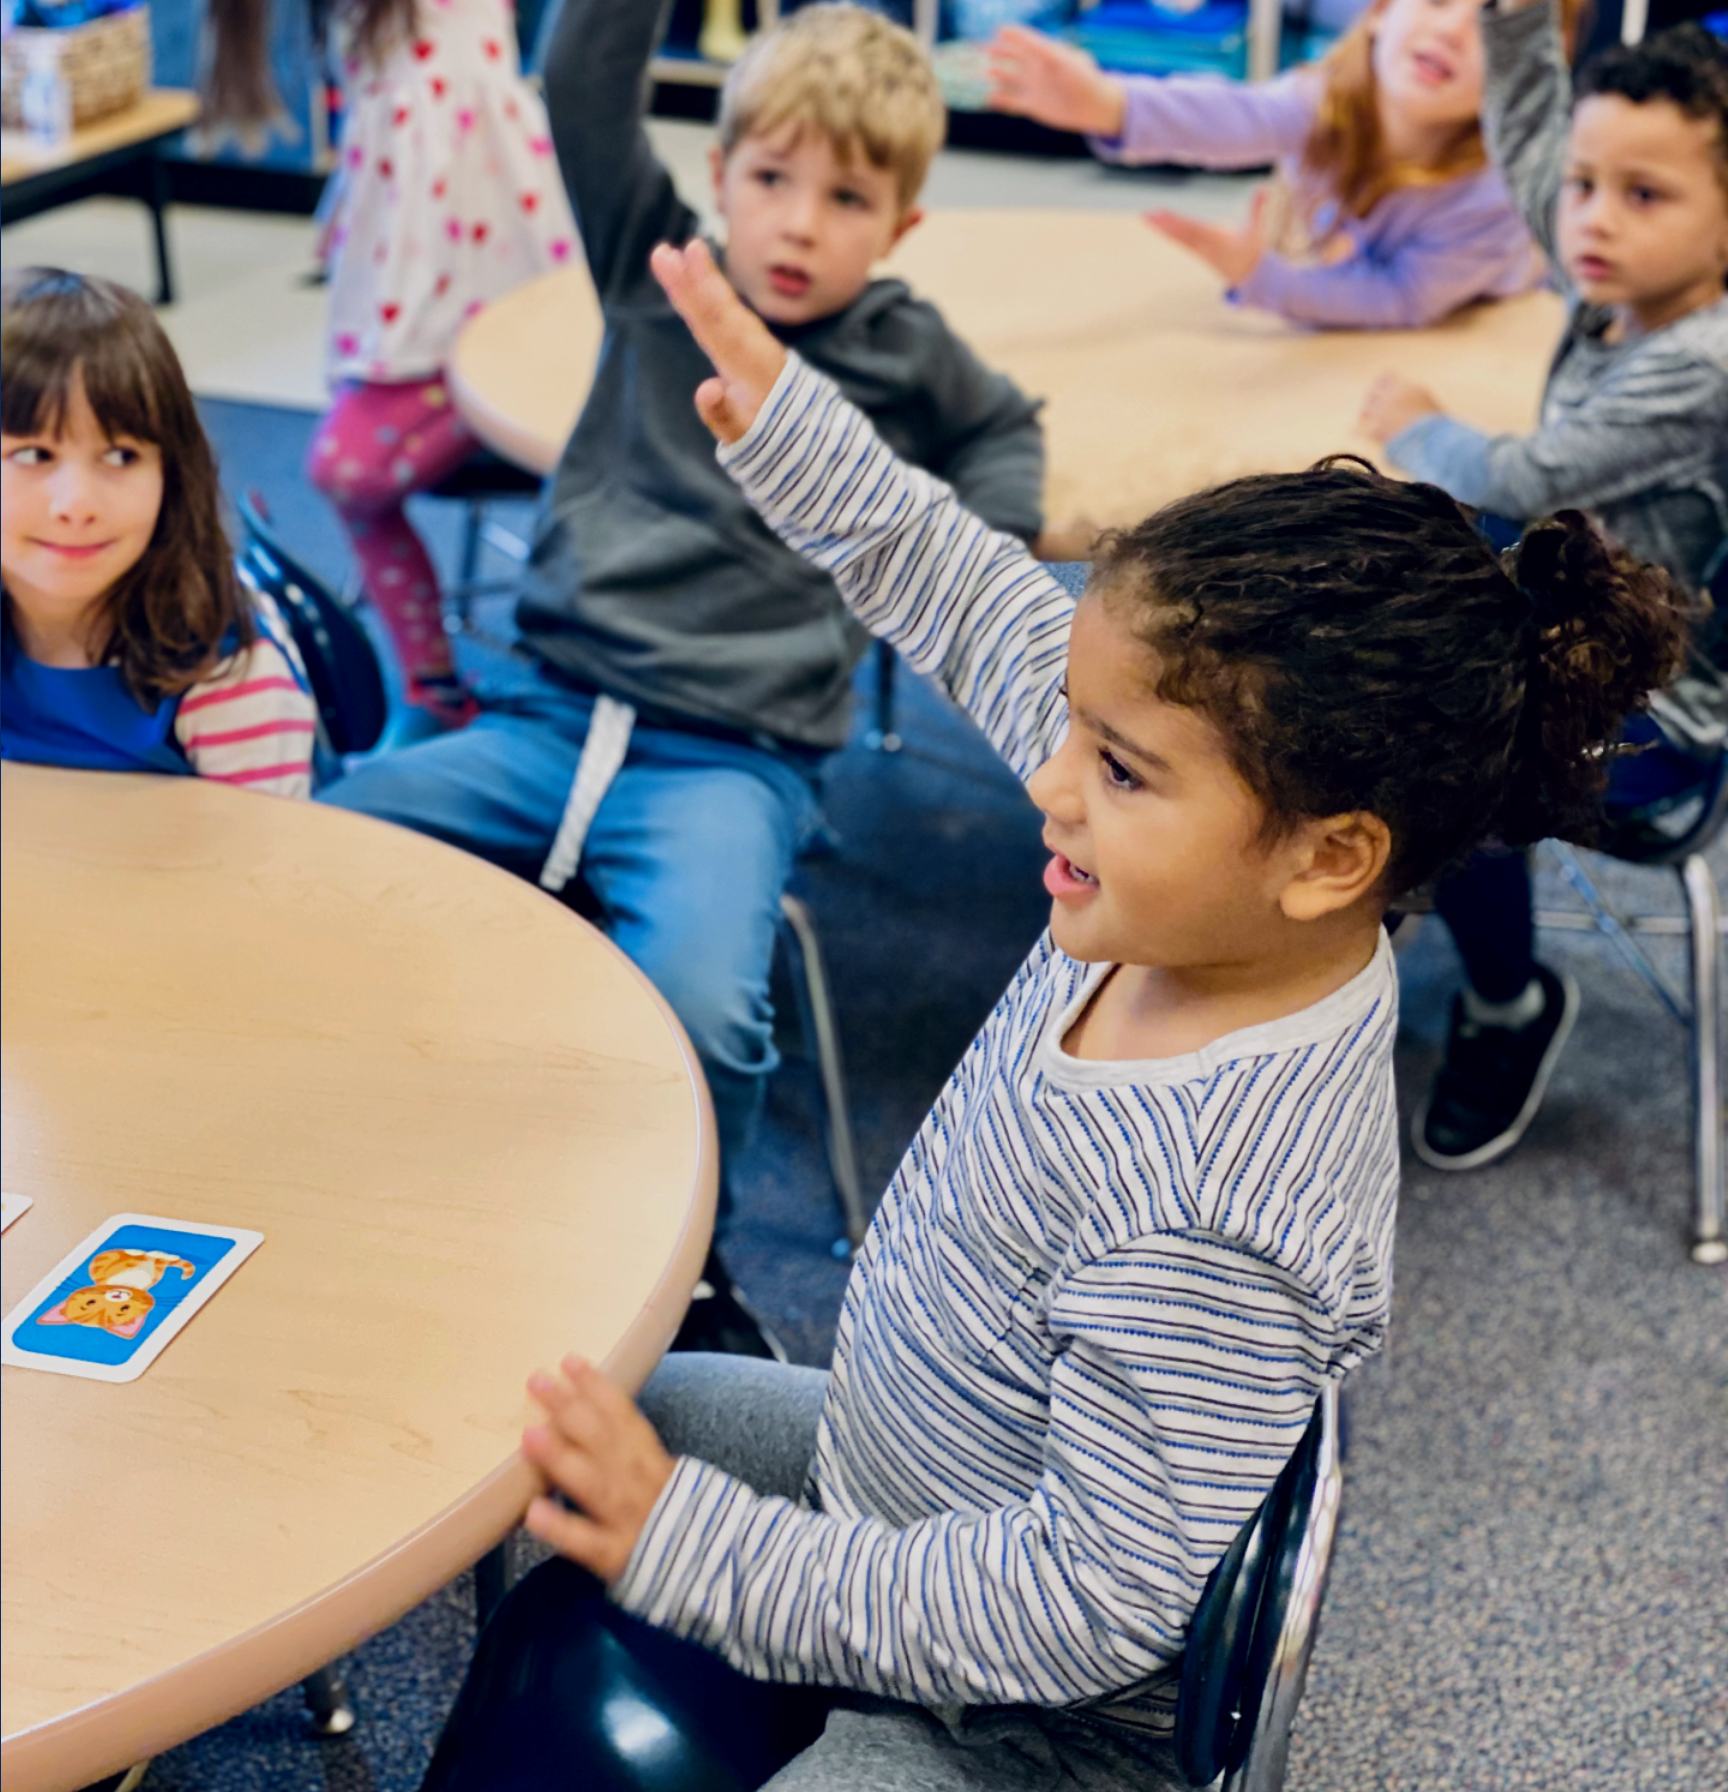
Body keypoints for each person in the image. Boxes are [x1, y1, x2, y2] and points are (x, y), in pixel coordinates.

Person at [413, 241, 1687, 1792]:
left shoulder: (1227, 1217)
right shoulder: (1171, 874)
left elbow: (1069, 1610)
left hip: (1014, 1727)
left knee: (657, 1506)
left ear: (1329, 856)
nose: (1050, 778)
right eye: (1077, 730)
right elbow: (968, 595)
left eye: (1119, 766)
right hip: (895, 1475)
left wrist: (700, 1547)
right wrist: (785, 419)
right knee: (586, 1403)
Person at [320, 0, 1048, 1355]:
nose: (796, 223)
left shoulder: (904, 351)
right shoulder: (658, 273)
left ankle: (686, 1271)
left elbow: (1002, 426)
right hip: (545, 710)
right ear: (719, 179)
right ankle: (349, 1171)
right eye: (769, 179)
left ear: (900, 228)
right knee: (314, 854)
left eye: (846, 197)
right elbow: (582, 75)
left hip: (732, 755)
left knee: (706, 1002)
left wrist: (973, 553)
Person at [1360, 9, 1728, 1171]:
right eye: (1585, 187)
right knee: (1370, 623)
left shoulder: (1702, 361)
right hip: (1588, 612)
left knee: (1452, 771)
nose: (1592, 218)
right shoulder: (1622, 280)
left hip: (1667, 726)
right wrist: (1515, 17)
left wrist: (1407, 423)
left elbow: (1526, 472)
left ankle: (1512, 1003)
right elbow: (1529, 137)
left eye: (1643, 194)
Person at [304, 0, 577, 730]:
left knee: (345, 470)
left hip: (478, 308)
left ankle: (441, 691)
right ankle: (434, 686)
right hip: (426, 299)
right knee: (344, 473)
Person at [985, 0, 1582, 329]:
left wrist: (1264, 279)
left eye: (1488, 22)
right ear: (1379, 11)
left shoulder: (1492, 195)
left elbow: (1402, 298)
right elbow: (1232, 117)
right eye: (1437, 0)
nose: (1452, 29)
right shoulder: (1327, 98)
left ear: (1524, 70)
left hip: (1497, 283)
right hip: (1363, 235)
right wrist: (1109, 104)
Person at [1, 269, 316, 798]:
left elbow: (262, 875)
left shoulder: (229, 678)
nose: (76, 505)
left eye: (121, 456)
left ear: (171, 474)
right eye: (34, 454)